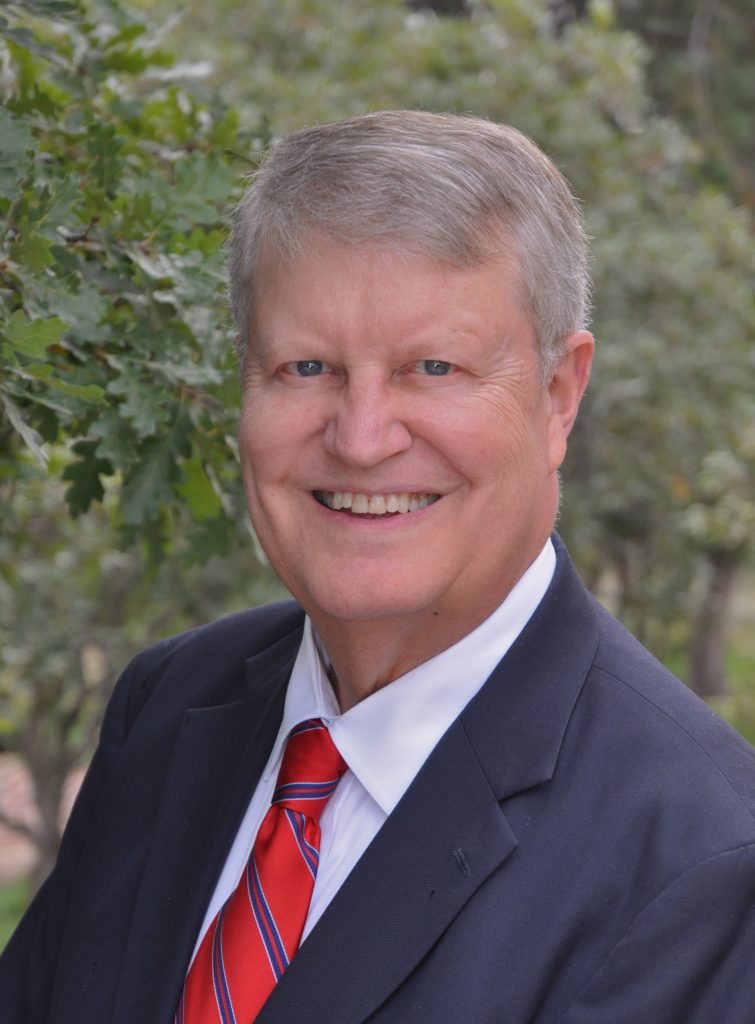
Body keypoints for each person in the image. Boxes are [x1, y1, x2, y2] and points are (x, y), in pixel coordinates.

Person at [2, 110, 755, 1024]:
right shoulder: (166, 703)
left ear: (558, 398)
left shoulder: (701, 861)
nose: (360, 440)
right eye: (306, 366)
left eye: (431, 367)